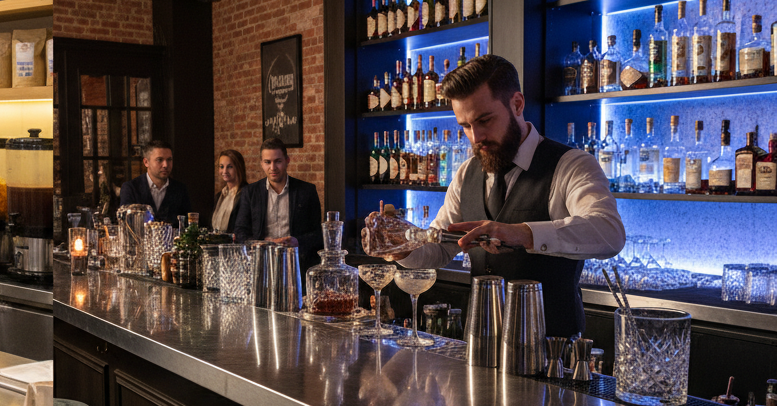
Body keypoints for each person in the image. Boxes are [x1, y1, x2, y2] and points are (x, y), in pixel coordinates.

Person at [379, 54, 625, 337]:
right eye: (465, 126)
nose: (476, 137)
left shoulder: (571, 165)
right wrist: (403, 248)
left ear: (517, 104)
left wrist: (522, 233)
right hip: (479, 341)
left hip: (551, 349)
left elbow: (610, 233)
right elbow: (441, 247)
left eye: (485, 120)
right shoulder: (466, 172)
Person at [233, 138, 324, 273]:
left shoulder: (307, 191)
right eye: (267, 162)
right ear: (261, 163)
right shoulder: (250, 192)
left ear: (287, 161)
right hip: (261, 264)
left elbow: (318, 234)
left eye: (278, 161)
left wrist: (297, 241)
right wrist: (258, 243)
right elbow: (240, 230)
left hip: (296, 264)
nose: (273, 167)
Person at [118, 140, 191, 221]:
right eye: (159, 160)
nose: (165, 165)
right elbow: (125, 221)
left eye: (169, 159)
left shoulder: (180, 189)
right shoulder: (131, 188)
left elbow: (187, 223)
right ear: (146, 162)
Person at [212, 149, 247, 234]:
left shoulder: (247, 194)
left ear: (238, 168)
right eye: (221, 167)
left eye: (230, 167)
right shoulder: (219, 196)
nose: (224, 171)